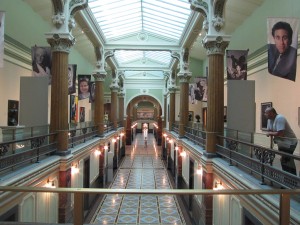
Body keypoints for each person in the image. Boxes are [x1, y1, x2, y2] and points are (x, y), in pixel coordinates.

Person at [264, 107, 297, 175]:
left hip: (290, 142)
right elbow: (269, 130)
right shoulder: (269, 120)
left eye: (266, 113)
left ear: (272, 113)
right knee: (284, 160)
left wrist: (271, 133)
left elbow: (280, 134)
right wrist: (271, 133)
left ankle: (292, 179)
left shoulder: (280, 118)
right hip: (282, 143)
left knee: (287, 160)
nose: (265, 114)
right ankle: (289, 178)